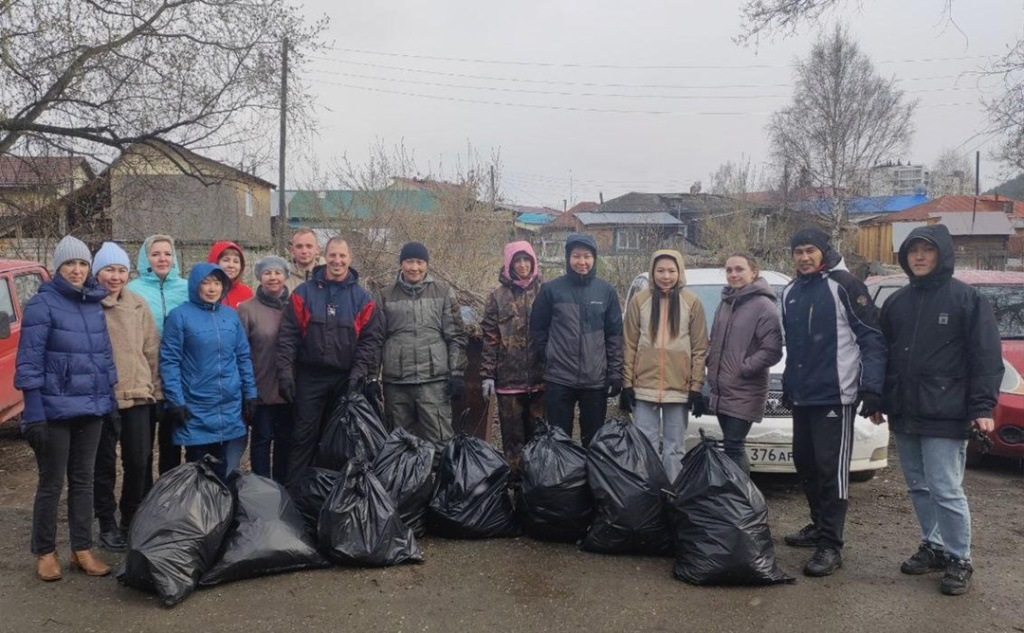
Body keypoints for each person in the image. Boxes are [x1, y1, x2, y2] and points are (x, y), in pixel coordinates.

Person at [876, 224, 1003, 596]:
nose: (918, 256)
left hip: (947, 411)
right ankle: (932, 545)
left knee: (946, 488)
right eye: (913, 250)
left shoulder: (966, 299)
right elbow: (883, 356)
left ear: (942, 254)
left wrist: (983, 405)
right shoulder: (897, 302)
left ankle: (959, 557)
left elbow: (986, 356)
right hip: (906, 409)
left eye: (926, 250)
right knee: (918, 486)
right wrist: (881, 400)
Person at [780, 227, 886, 578]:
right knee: (805, 464)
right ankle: (818, 526)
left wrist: (872, 388)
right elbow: (794, 347)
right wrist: (789, 387)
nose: (804, 257)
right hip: (802, 396)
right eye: (798, 251)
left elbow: (870, 338)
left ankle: (831, 544)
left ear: (824, 250)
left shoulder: (845, 286)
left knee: (831, 471)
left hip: (835, 395)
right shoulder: (791, 292)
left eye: (810, 250)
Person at [15, 236, 117, 581]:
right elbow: (28, 362)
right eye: (70, 264)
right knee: (51, 482)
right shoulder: (41, 305)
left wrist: (109, 400)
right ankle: (44, 552)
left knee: (84, 481)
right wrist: (33, 413)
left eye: (83, 264)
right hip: (54, 409)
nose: (77, 270)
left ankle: (81, 549)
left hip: (91, 408)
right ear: (58, 267)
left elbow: (103, 357)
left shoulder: (93, 303)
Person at [277, 237, 382, 489]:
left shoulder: (362, 298)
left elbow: (370, 339)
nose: (337, 261)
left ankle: (333, 496)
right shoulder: (304, 293)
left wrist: (359, 372)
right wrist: (285, 373)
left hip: (344, 379)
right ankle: (295, 497)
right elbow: (288, 336)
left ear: (350, 258)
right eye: (333, 255)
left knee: (339, 439)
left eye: (342, 256)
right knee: (303, 437)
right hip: (309, 377)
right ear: (325, 256)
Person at [91, 242, 161, 553]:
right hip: (102, 399)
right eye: (109, 270)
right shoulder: (89, 305)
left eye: (121, 270)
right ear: (97, 273)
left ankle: (131, 518)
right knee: (102, 465)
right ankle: (106, 524)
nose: (115, 276)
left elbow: (152, 351)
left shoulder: (138, 305)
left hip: (138, 396)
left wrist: (156, 390)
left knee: (139, 461)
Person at [160, 263, 258, 481]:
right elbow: (170, 361)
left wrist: (250, 394)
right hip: (196, 406)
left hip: (229, 405)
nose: (212, 288)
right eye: (206, 283)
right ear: (196, 285)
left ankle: (221, 512)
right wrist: (175, 401)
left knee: (224, 470)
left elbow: (242, 357)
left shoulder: (231, 316)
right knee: (199, 472)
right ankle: (197, 514)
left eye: (217, 283)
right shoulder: (179, 316)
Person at [619, 249, 708, 481]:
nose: (666, 276)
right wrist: (627, 383)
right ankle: (648, 493)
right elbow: (628, 344)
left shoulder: (692, 303)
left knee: (675, 447)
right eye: (660, 270)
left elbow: (700, 348)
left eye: (671, 270)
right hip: (644, 386)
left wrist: (696, 387)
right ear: (652, 272)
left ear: (679, 272)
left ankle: (672, 494)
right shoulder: (640, 301)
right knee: (644, 445)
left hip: (679, 387)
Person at [530, 234, 623, 448]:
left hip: (595, 379)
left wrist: (615, 372)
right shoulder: (551, 290)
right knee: (559, 439)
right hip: (560, 379)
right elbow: (538, 328)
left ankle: (592, 479)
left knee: (594, 439)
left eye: (587, 256)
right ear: (568, 258)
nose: (582, 262)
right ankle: (562, 480)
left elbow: (614, 335)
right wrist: (548, 354)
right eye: (576, 256)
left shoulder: (606, 291)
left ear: (594, 259)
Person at [378, 241, 467, 456]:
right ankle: (402, 489)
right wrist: (372, 378)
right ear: (401, 264)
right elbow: (375, 340)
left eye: (419, 262)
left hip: (434, 385)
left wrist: (456, 373)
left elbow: (456, 336)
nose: (414, 267)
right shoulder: (384, 295)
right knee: (399, 446)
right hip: (397, 385)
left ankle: (441, 489)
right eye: (409, 261)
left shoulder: (443, 293)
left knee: (440, 443)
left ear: (427, 265)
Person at [706, 252, 784, 475]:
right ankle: (734, 498)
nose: (733, 274)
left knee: (733, 445)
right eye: (729, 270)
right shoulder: (726, 303)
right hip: (722, 389)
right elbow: (715, 342)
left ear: (754, 272)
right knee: (731, 445)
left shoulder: (763, 306)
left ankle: (741, 500)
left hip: (744, 388)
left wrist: (743, 368)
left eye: (739, 269)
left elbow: (772, 350)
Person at [480, 241, 545, 475]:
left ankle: (539, 488)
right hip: (508, 383)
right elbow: (489, 338)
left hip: (541, 381)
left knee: (540, 438)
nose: (523, 265)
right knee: (513, 441)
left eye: (527, 259)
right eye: (517, 260)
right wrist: (487, 375)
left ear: (533, 261)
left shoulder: (545, 292)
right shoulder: (497, 297)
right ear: (509, 264)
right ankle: (516, 488)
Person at [128, 234, 189, 475]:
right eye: (155, 254)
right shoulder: (133, 290)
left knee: (172, 445)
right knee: (140, 450)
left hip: (178, 376)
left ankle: (167, 499)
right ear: (146, 259)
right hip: (144, 375)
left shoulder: (186, 288)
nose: (162, 259)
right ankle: (141, 499)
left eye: (167, 253)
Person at [238, 256, 294, 484]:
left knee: (285, 442)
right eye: (268, 273)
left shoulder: (295, 307)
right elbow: (240, 353)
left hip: (289, 389)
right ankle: (262, 491)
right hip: (260, 389)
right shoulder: (247, 309)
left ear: (285, 276)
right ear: (259, 276)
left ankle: (283, 490)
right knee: (261, 442)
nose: (273, 277)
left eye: (278, 273)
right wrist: (247, 391)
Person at [207, 240, 253, 309]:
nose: (231, 265)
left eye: (236, 261)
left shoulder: (246, 293)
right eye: (226, 260)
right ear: (215, 262)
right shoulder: (205, 291)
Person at [285, 228, 323, 292]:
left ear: (317, 250)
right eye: (299, 247)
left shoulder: (329, 277)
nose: (304, 251)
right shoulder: (283, 280)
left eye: (309, 246)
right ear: (292, 250)